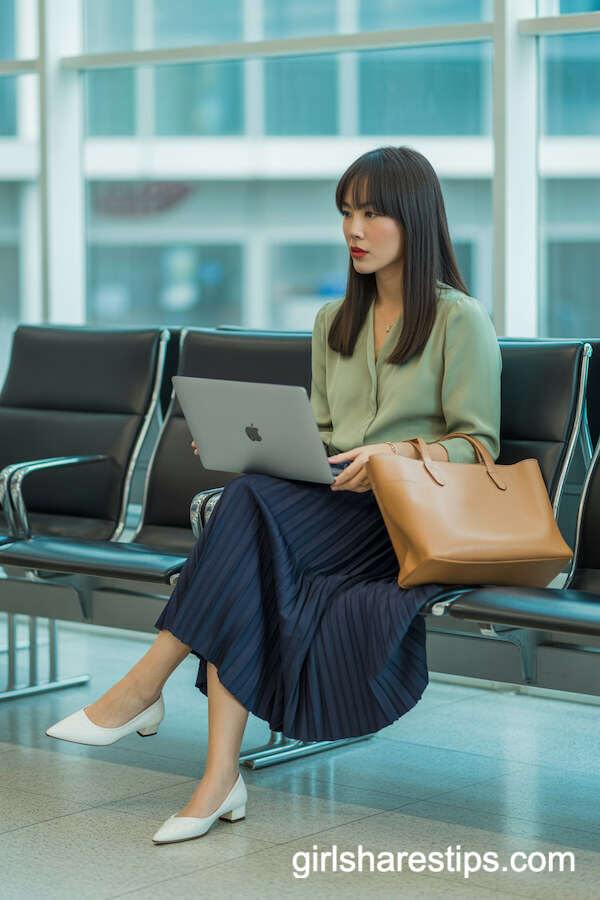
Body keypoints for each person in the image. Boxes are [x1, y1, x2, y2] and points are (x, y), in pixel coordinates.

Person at [46, 146, 501, 845]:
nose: (354, 228)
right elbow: (319, 436)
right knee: (249, 506)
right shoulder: (332, 322)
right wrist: (244, 444)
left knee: (245, 517)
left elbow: (479, 448)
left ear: (413, 218)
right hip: (332, 506)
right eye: (346, 212)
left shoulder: (457, 320)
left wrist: (396, 452)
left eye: (372, 213)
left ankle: (146, 692)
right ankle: (214, 770)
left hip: (404, 521)